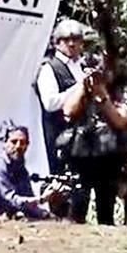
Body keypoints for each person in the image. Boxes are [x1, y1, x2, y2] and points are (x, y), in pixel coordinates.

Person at [58, 47, 127, 225]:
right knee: (77, 204)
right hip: (81, 154)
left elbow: (121, 120)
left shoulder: (119, 91)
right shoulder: (78, 88)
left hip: (109, 156)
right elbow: (68, 112)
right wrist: (84, 88)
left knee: (105, 207)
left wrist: (101, 95)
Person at [35, 19, 92, 174]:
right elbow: (50, 103)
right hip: (60, 138)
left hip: (84, 140)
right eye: (66, 39)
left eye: (76, 39)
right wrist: (78, 88)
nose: (72, 44)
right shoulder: (49, 69)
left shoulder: (83, 66)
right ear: (57, 42)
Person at [0, 126, 53, 220]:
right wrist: (42, 199)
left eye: (22, 143)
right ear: (5, 143)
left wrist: (46, 214)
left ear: (27, 145)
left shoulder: (21, 169)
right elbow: (12, 199)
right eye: (14, 142)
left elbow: (28, 202)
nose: (18, 146)